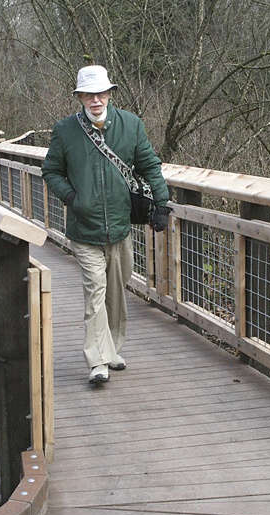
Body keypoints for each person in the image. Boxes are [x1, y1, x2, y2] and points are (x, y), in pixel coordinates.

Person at [42, 65, 170, 385]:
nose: (96, 99)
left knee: (117, 290)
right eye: (89, 94)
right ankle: (97, 360)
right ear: (80, 97)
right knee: (96, 291)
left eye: (101, 93)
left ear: (110, 94)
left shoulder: (130, 125)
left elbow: (150, 166)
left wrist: (163, 204)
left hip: (120, 227)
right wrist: (71, 197)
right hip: (84, 229)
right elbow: (51, 171)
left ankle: (111, 349)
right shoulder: (65, 130)